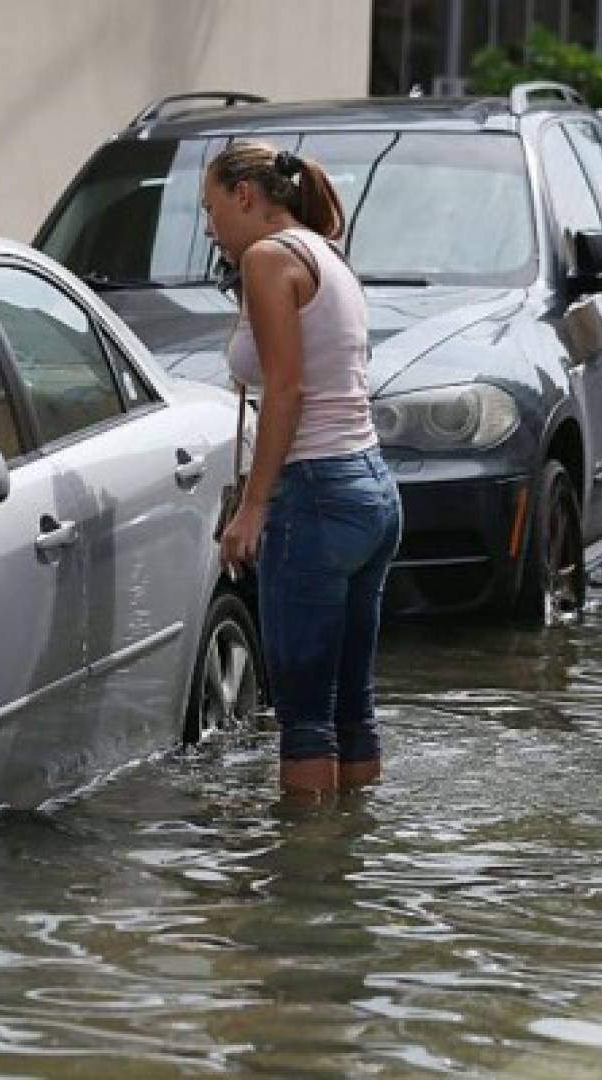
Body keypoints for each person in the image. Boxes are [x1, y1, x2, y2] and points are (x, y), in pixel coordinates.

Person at [202, 141, 402, 802]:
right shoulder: (326, 253)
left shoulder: (267, 259)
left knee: (305, 722)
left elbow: (285, 392)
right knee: (353, 710)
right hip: (370, 490)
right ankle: (352, 864)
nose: (208, 228)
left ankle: (303, 887)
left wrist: (252, 507)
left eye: (210, 208)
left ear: (245, 196)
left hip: (314, 496)